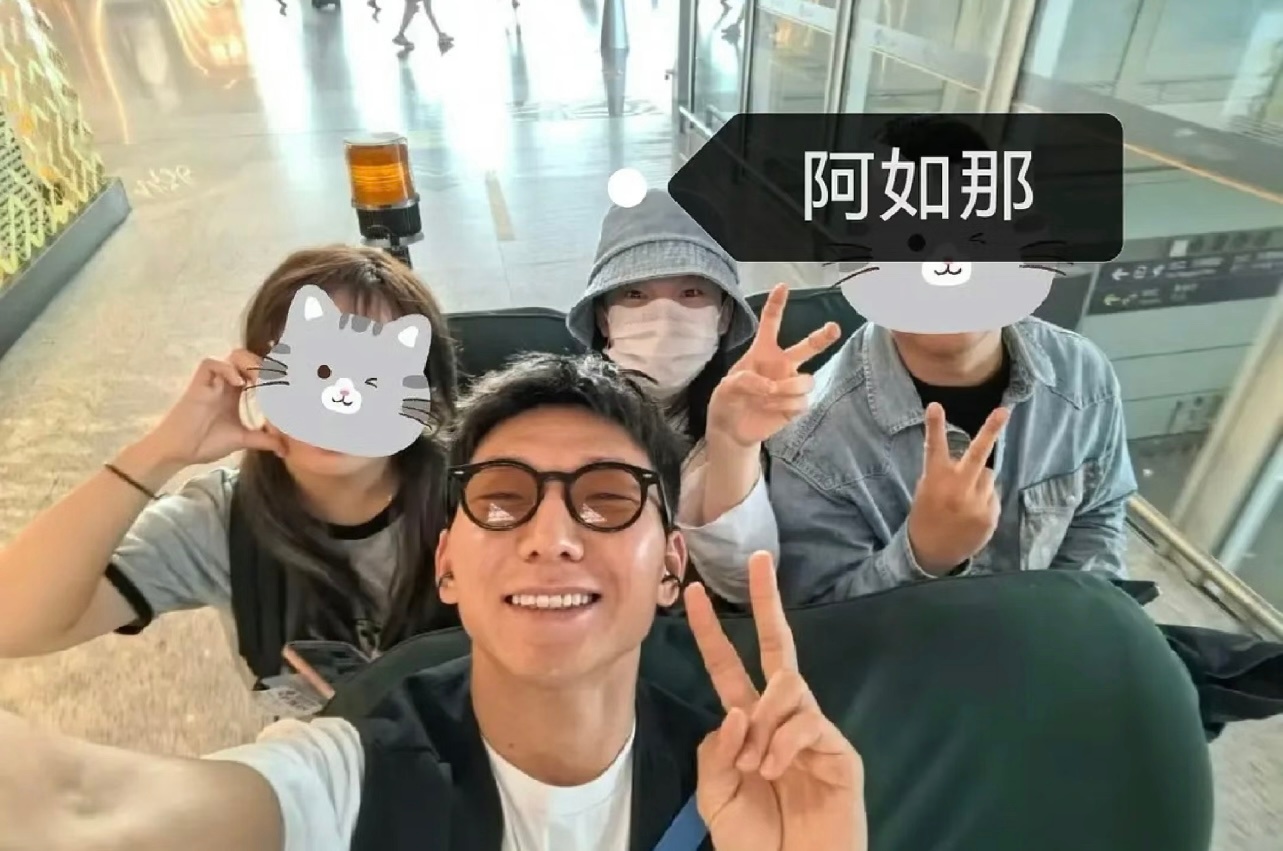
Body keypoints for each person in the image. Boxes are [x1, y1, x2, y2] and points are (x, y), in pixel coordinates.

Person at [0, 353, 866, 851]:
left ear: (672, 566)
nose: (552, 535)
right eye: (502, 498)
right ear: (447, 562)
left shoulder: (753, 784)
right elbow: (79, 806)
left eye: (606, 499)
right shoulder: (352, 778)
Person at [0, 245, 461, 688]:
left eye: (373, 376)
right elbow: (12, 622)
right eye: (318, 369)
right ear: (258, 371)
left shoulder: (476, 498)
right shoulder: (218, 523)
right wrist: (160, 452)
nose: (341, 398)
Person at [731, 119, 1137, 605]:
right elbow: (820, 619)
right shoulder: (814, 440)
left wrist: (1080, 623)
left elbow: (1099, 516)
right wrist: (923, 557)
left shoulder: (1082, 376)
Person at [566, 190, 839, 605]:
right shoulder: (557, 420)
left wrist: (732, 447)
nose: (664, 317)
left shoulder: (765, 414)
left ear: (724, 315)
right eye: (635, 294)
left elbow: (748, 583)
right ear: (604, 318)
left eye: (691, 293)